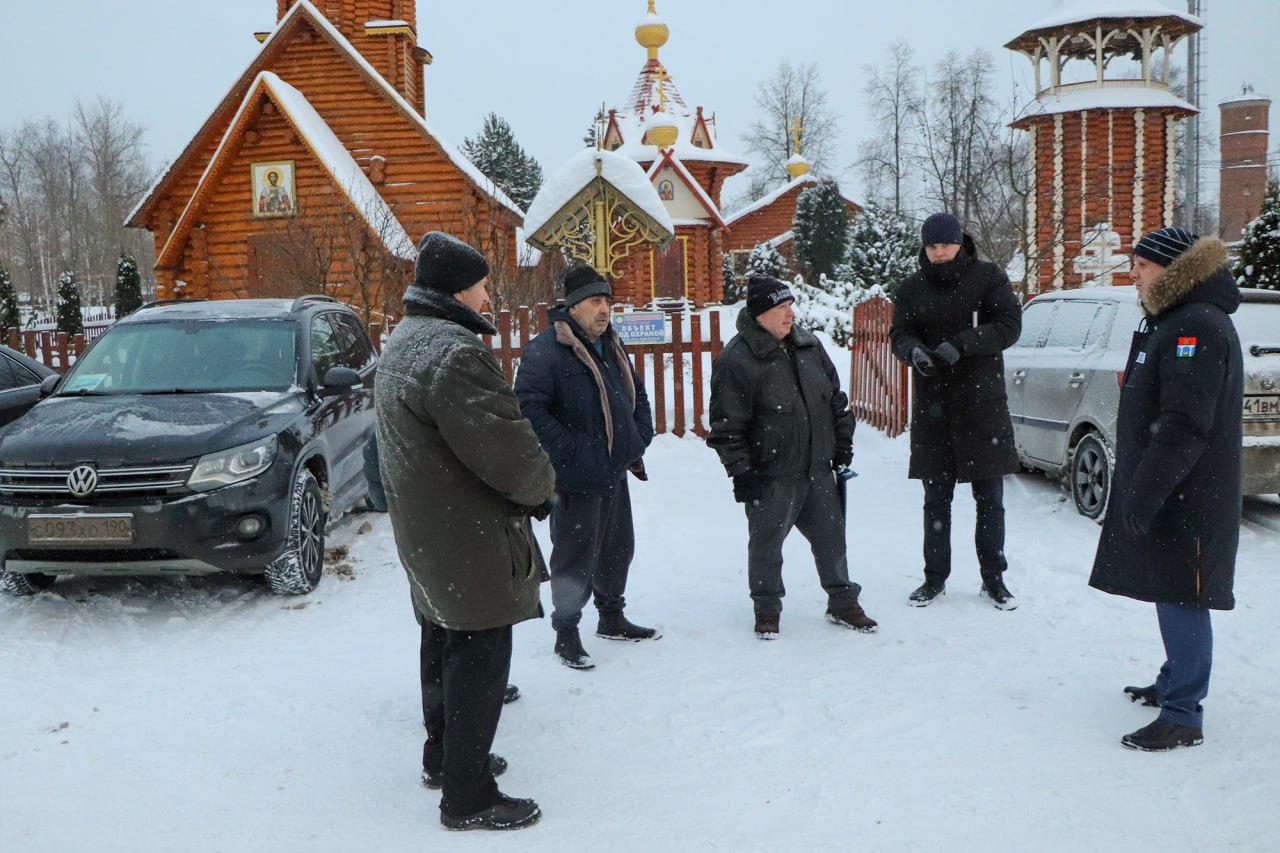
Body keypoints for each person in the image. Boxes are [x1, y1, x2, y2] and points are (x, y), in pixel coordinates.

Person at [375, 231, 555, 831]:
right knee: (478, 656)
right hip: (467, 537)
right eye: (481, 286)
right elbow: (507, 449)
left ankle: (445, 758)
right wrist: (541, 489)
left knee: (442, 642)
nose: (487, 297)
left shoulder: (407, 339)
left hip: (428, 530)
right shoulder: (453, 353)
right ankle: (468, 795)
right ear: (456, 290)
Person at [1088, 227, 1242, 752]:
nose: (1133, 274)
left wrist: (1146, 491)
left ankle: (1183, 714)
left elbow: (1184, 424)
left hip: (1189, 492)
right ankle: (1173, 679)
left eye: (1143, 265)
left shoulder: (1194, 325)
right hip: (1178, 486)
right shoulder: (1177, 320)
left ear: (1175, 269)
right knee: (1170, 585)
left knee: (1184, 594)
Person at [708, 275, 877, 639]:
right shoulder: (736, 360)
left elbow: (835, 400)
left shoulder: (809, 345)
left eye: (790, 306)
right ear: (760, 314)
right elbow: (726, 426)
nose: (790, 314)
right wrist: (741, 472)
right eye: (781, 307)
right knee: (767, 546)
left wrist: (842, 442)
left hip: (818, 469)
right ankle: (767, 608)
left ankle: (842, 602)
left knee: (832, 540)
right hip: (772, 475)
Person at [514, 265, 657, 670]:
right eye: (595, 301)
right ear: (573, 307)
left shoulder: (611, 345)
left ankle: (611, 617)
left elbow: (637, 393)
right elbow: (529, 410)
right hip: (573, 477)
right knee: (574, 556)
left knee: (618, 548)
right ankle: (567, 633)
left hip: (614, 470)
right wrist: (574, 451)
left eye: (607, 301)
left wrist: (638, 436)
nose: (604, 309)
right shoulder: (546, 351)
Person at [889, 212, 1022, 610]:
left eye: (945, 244)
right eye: (932, 246)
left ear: (960, 243)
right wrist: (914, 352)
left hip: (982, 405)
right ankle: (934, 578)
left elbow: (1009, 325)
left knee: (990, 499)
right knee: (936, 501)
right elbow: (899, 333)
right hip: (934, 407)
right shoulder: (911, 287)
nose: (939, 252)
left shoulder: (988, 278)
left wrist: (963, 344)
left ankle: (994, 579)